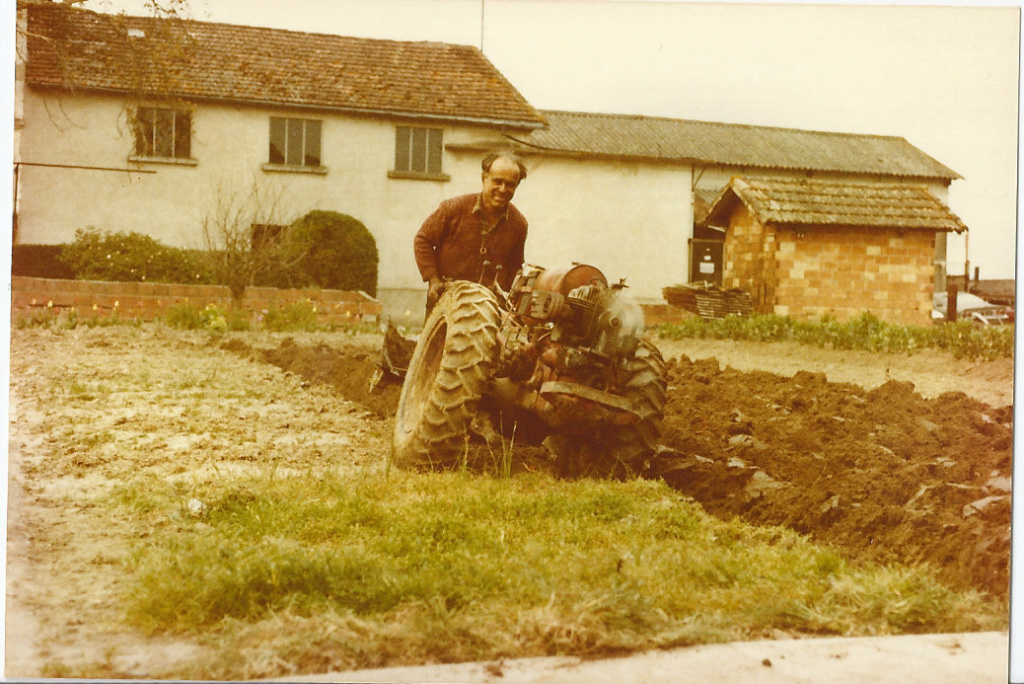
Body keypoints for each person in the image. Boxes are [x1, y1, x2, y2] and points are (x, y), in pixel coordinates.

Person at [413, 152, 528, 314]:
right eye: (497, 181)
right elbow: (422, 240)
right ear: (484, 179)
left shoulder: (519, 224)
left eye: (510, 184)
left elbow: (515, 265)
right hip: (446, 301)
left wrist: (517, 288)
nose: (503, 189)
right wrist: (433, 279)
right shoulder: (453, 209)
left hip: (489, 307)